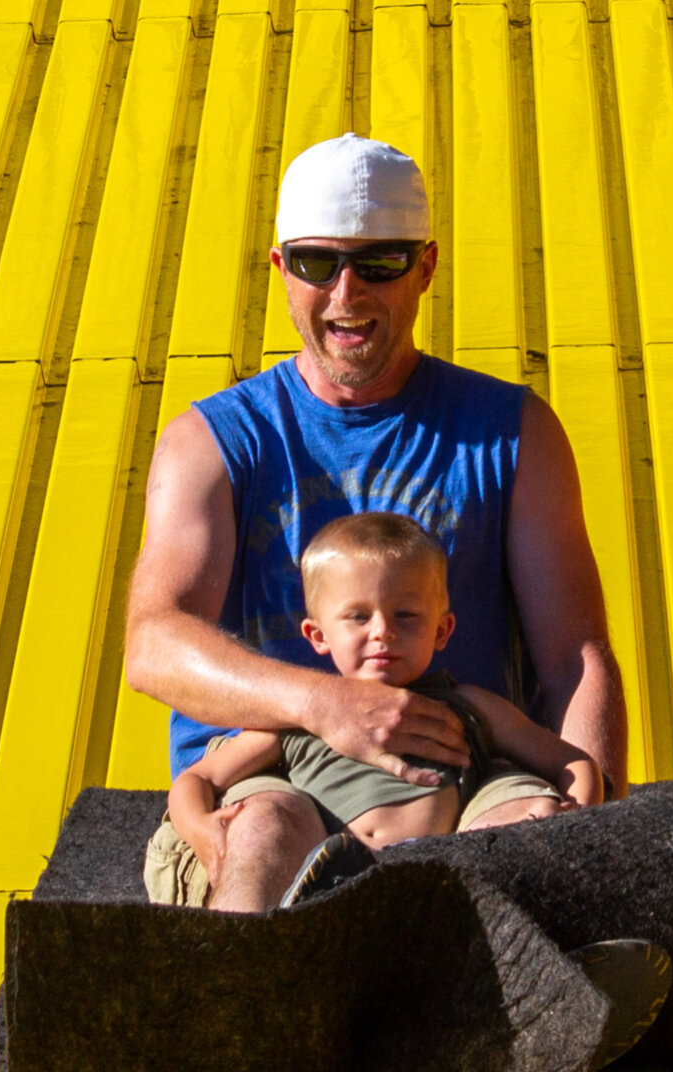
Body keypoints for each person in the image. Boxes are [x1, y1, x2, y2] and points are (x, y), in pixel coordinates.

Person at [125, 133, 624, 912]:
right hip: (275, 784)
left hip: (468, 780)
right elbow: (154, 642)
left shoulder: (514, 432)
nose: (347, 293)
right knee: (261, 836)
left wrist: (593, 842)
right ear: (280, 269)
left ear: (425, 267)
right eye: (318, 263)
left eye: (379, 263)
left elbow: (575, 657)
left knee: (527, 838)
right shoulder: (212, 442)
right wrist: (323, 705)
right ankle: (235, 1009)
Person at [149, 513, 601, 908]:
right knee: (254, 830)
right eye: (359, 617)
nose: (382, 632)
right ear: (317, 636)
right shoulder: (297, 722)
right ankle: (241, 964)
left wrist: (576, 818)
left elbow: (571, 761)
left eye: (406, 616)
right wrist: (203, 830)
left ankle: (557, 949)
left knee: (533, 812)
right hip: (320, 878)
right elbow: (199, 780)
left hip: (442, 877)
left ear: (442, 630)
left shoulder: (469, 707)